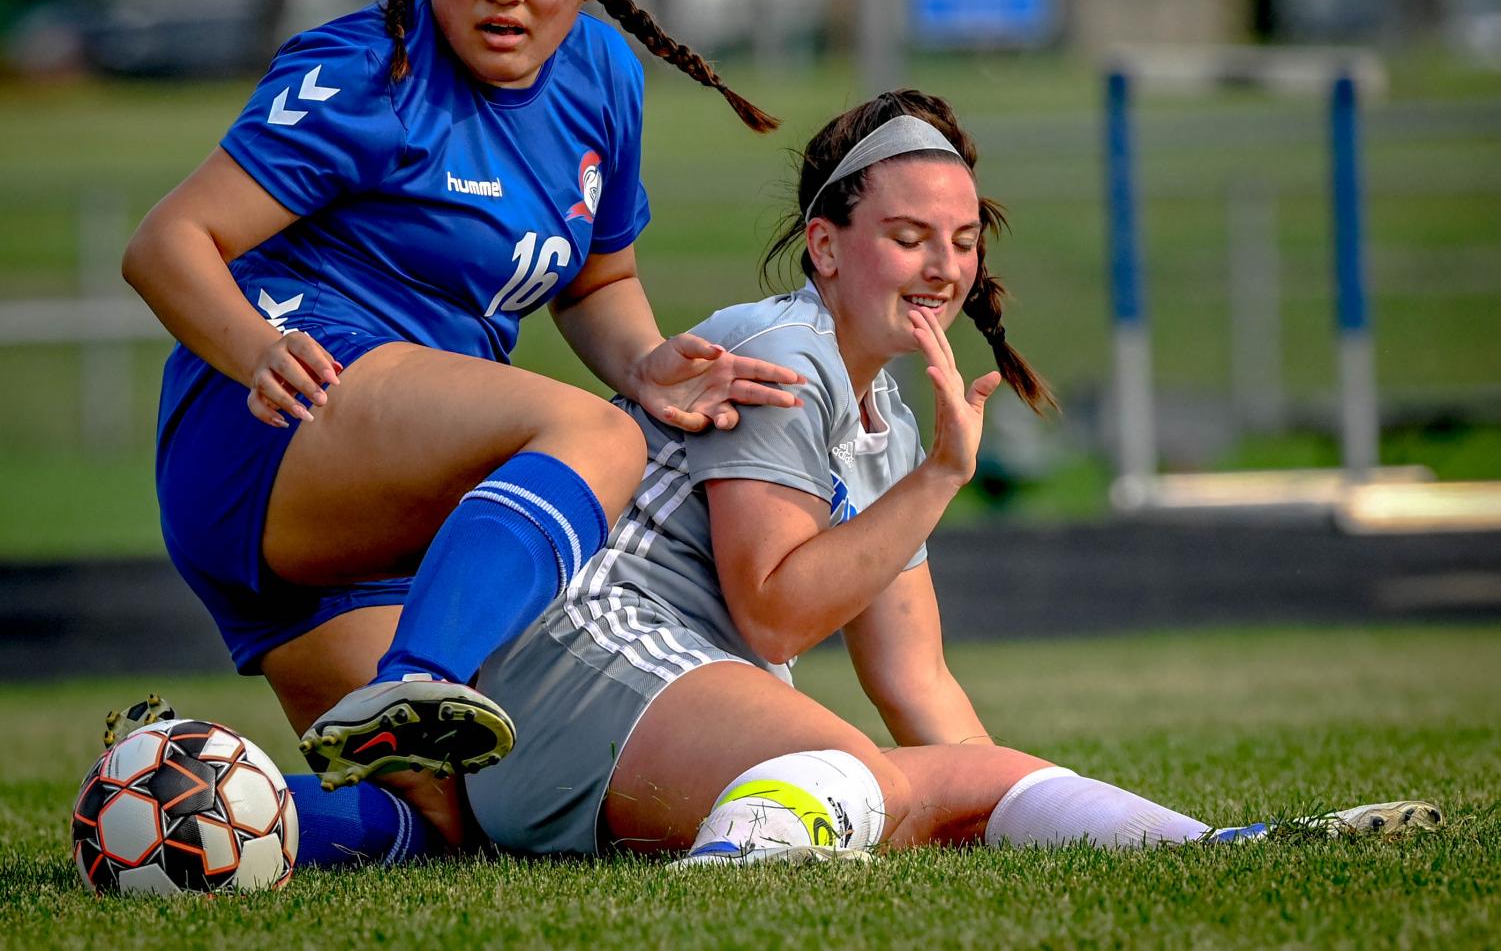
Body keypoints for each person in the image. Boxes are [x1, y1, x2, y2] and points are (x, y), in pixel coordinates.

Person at [453, 90, 1441, 862]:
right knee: (853, 773)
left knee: (938, 776)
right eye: (909, 236)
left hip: (663, 711)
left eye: (962, 241)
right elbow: (772, 615)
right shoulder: (782, 349)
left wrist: (982, 807)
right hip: (575, 668)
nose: (942, 267)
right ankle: (748, 855)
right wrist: (940, 476)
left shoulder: (880, 414)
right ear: (825, 245)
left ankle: (1228, 848)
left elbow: (915, 676)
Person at [119, 0, 803, 847]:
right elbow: (166, 243)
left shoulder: (602, 80)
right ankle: (418, 683)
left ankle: (164, 803)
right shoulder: (369, 74)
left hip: (390, 487)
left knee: (442, 817)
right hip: (272, 420)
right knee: (597, 437)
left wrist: (645, 359)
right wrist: (253, 346)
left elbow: (597, 275)